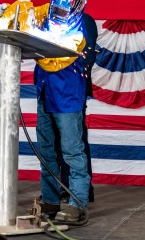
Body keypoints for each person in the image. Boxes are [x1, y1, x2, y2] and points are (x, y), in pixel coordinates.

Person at [33, 0, 91, 222]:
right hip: (45, 94)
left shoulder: (82, 27)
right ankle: (50, 201)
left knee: (72, 152)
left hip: (68, 98)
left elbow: (54, 58)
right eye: (56, 9)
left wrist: (36, 44)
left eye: (63, 10)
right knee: (46, 152)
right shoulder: (44, 16)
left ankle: (77, 203)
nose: (58, 14)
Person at [58, 13, 97, 204]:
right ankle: (63, 187)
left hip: (73, 88)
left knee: (75, 141)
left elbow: (87, 56)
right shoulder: (53, 20)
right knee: (59, 141)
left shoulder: (85, 21)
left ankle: (79, 190)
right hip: (53, 89)